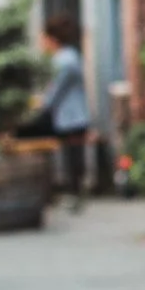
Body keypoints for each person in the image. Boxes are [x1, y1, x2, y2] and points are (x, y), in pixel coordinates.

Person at [32, 16, 92, 200]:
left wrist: (40, 104)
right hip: (69, 114)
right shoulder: (67, 58)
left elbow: (54, 92)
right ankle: (73, 190)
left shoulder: (64, 61)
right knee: (71, 153)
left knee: (72, 154)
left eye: (44, 38)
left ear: (52, 39)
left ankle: (74, 191)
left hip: (72, 115)